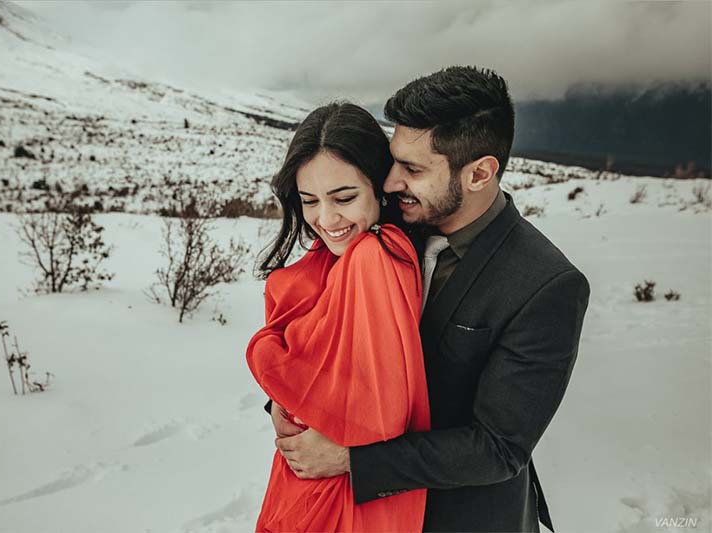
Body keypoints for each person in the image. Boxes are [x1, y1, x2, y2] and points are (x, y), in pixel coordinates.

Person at [269, 67, 591, 532]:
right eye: (395, 160)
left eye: (414, 169)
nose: (392, 181)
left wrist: (351, 460)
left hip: (461, 519)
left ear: (479, 173)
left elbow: (498, 448)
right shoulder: (386, 230)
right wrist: (289, 402)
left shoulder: (545, 285)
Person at [246, 102, 431, 531]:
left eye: (344, 198)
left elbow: (377, 407)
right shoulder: (330, 256)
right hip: (313, 482)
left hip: (350, 498)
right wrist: (281, 401)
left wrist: (269, 357)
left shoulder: (374, 255)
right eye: (309, 201)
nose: (326, 220)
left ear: (380, 186)